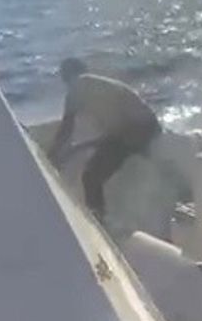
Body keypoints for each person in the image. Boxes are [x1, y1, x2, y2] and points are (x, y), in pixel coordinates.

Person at [47, 57, 162, 220]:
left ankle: (98, 220)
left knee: (90, 177)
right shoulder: (99, 84)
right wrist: (80, 147)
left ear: (66, 76)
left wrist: (50, 157)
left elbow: (66, 130)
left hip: (133, 131)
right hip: (150, 126)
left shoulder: (76, 87)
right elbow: (113, 131)